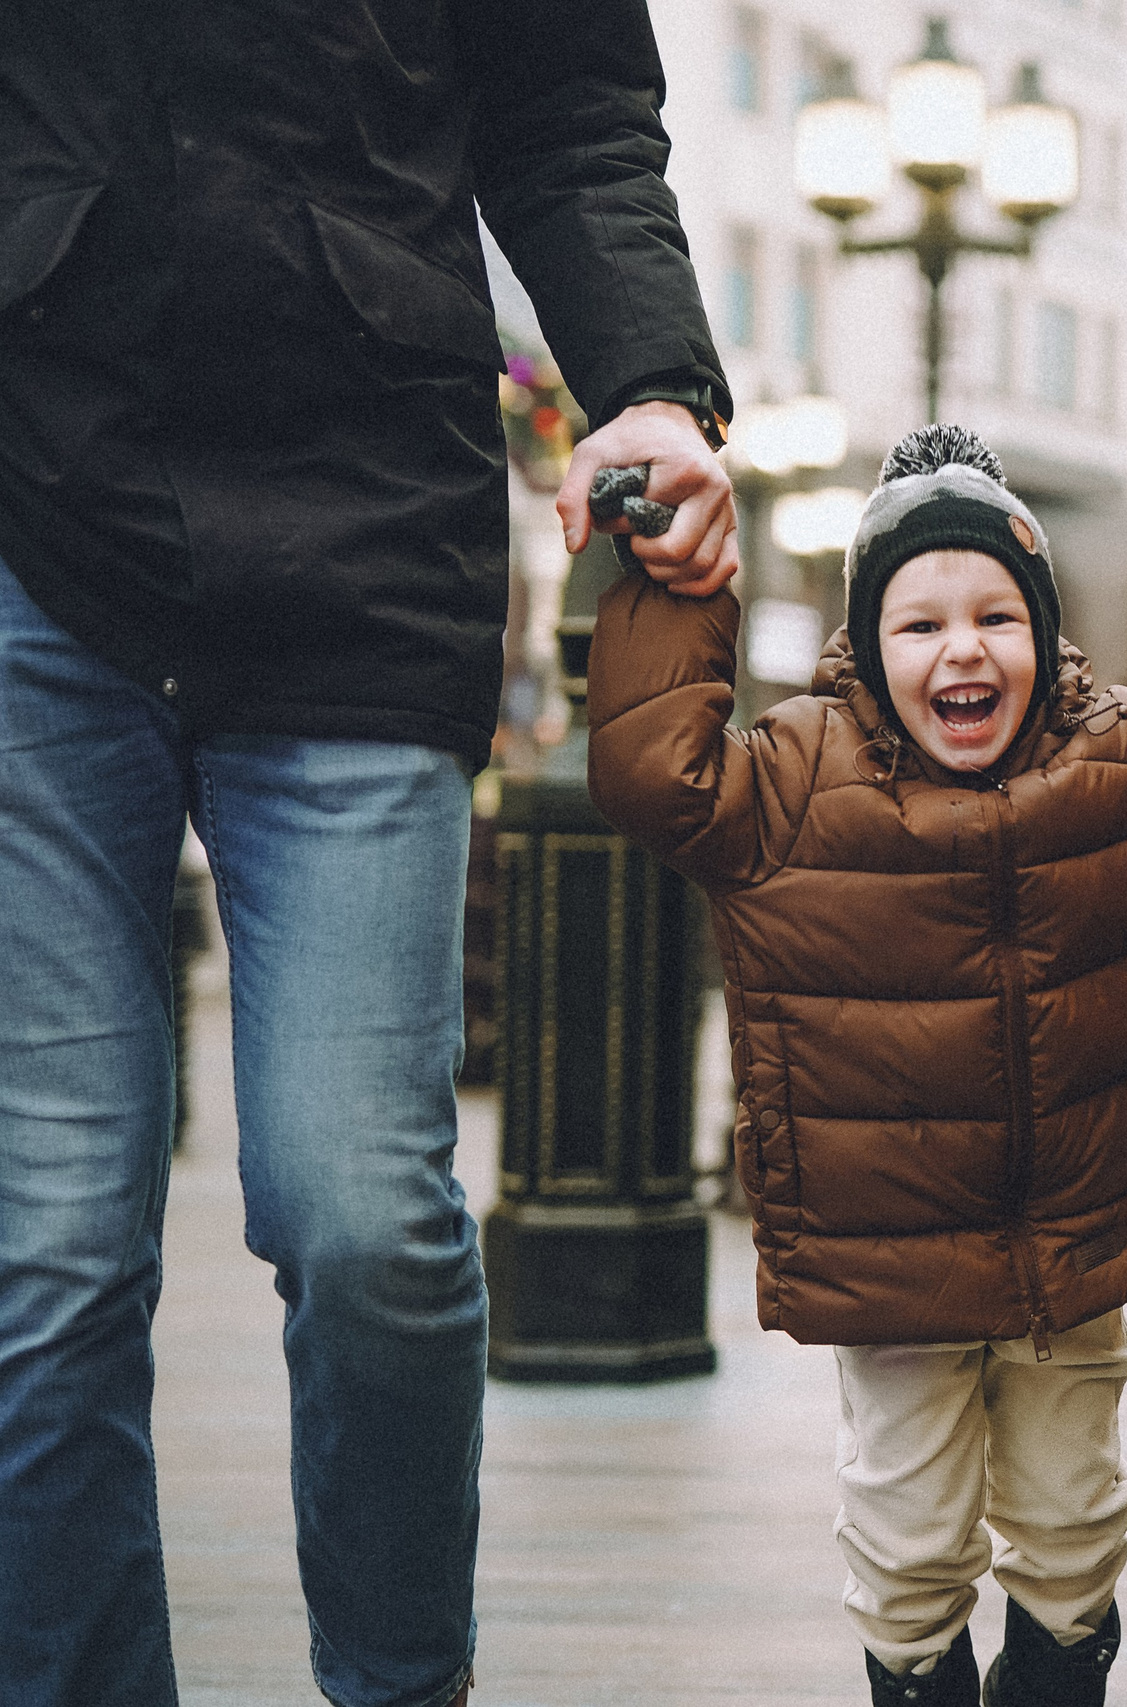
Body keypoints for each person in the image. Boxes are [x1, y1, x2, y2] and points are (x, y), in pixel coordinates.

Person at [0, 7, 735, 1703]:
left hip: (361, 538)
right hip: (39, 525)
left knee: (361, 1219)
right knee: (44, 1240)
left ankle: (401, 1684)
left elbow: (572, 117)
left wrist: (651, 385)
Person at [584, 424, 1127, 1707]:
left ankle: (1064, 1670)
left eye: (996, 617)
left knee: (1074, 1522)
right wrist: (681, 583)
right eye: (919, 625)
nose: (963, 649)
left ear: (1044, 627)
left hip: (1075, 1236)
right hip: (887, 1262)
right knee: (906, 1542)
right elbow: (653, 778)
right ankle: (916, 1680)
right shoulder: (792, 779)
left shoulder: (1124, 754)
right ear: (864, 644)